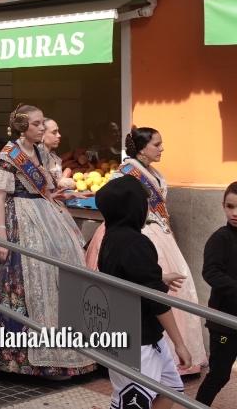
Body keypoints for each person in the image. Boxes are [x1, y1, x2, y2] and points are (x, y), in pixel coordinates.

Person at [0, 104, 97, 378]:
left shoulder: (42, 152)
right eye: (37, 124)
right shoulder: (8, 156)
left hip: (46, 216)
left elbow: (45, 186)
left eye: (43, 123)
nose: (42, 127)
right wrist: (2, 236)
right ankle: (17, 358)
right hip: (15, 217)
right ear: (23, 127)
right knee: (19, 281)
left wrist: (56, 194)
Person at [85, 127, 208, 375]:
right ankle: (157, 353)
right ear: (142, 148)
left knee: (171, 288)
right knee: (148, 291)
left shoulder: (154, 173)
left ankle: (172, 356)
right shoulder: (125, 173)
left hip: (158, 233)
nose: (162, 148)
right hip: (136, 234)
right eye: (157, 144)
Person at [96, 176, 193, 409]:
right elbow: (156, 299)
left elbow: (126, 275)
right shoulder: (135, 242)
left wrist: (158, 278)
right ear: (133, 208)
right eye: (143, 203)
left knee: (171, 388)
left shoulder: (111, 237)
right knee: (132, 402)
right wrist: (180, 343)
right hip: (137, 341)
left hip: (136, 334)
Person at [196, 182, 237, 406]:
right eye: (230, 206)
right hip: (224, 324)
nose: (235, 213)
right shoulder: (220, 239)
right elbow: (210, 272)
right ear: (223, 206)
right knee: (220, 374)